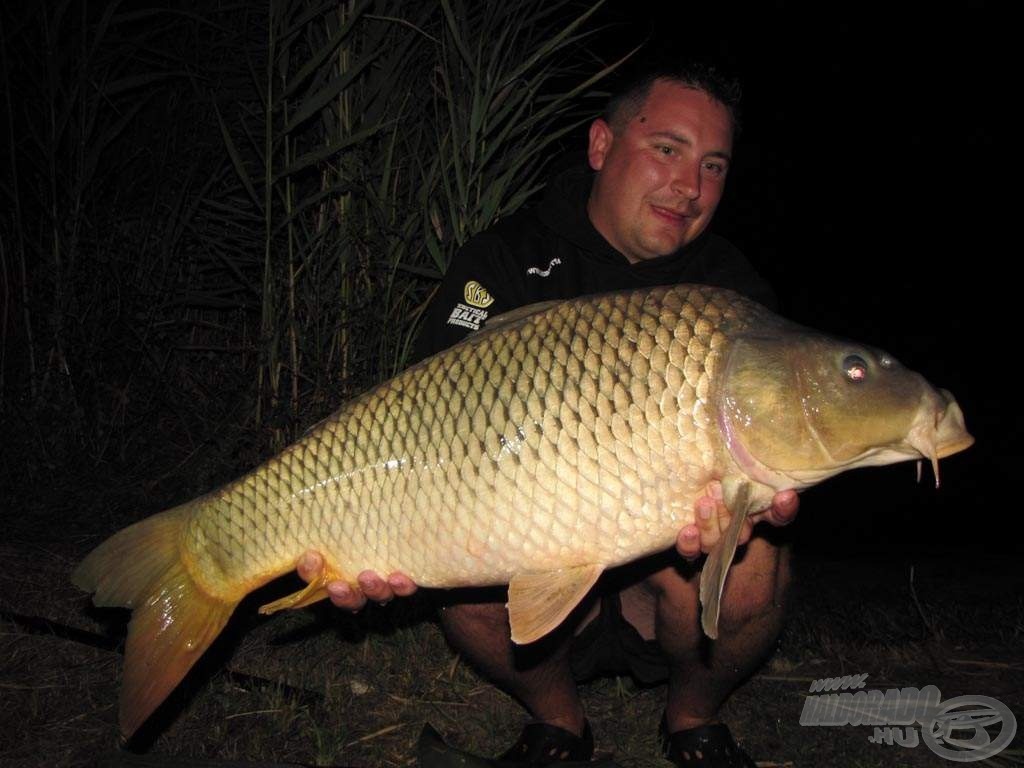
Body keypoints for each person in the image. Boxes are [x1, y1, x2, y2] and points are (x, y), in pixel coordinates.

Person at [298, 63, 798, 767]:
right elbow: (414, 428)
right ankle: (559, 726)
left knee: (755, 561)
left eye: (712, 165)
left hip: (668, 591)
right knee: (460, 560)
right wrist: (365, 539)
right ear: (600, 146)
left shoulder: (728, 290)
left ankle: (692, 721)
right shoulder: (504, 260)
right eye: (668, 150)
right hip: (538, 572)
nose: (690, 188)